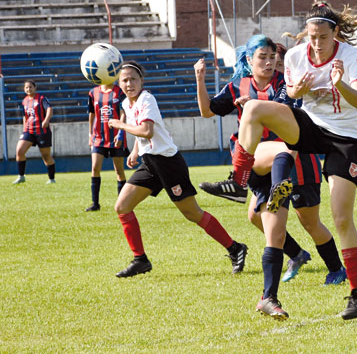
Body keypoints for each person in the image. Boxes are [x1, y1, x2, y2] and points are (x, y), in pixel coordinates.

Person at [228, 1, 357, 320]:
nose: (316, 43)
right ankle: (238, 181)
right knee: (252, 109)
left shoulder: (350, 56)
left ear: (335, 33)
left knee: (342, 218)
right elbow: (290, 95)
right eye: (312, 36)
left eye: (322, 37)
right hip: (309, 127)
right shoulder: (294, 56)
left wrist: (339, 84)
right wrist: (296, 91)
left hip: (345, 138)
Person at [194, 37, 346, 287]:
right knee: (256, 216)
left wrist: (255, 105)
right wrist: (200, 80)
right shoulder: (238, 86)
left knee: (309, 222)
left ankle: (336, 269)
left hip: (298, 162)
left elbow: (293, 116)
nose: (268, 62)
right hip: (264, 166)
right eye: (262, 57)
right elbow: (207, 111)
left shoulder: (287, 84)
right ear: (249, 60)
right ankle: (296, 254)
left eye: (271, 57)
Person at [106, 61, 248, 278]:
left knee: (193, 213)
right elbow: (142, 133)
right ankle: (140, 260)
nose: (129, 83)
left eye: (133, 79)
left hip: (168, 164)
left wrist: (120, 126)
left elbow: (146, 130)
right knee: (122, 206)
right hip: (150, 163)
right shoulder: (127, 103)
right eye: (124, 80)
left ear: (141, 81)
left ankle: (235, 248)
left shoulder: (147, 99)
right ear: (119, 83)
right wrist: (135, 151)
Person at [85, 82, 129, 211]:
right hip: (98, 137)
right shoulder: (93, 92)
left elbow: (123, 113)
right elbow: (91, 114)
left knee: (119, 171)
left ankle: (123, 203)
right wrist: (90, 134)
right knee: (95, 167)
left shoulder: (119, 92)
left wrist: (120, 133)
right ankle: (95, 204)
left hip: (116, 137)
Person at [12, 80, 56, 184]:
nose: (28, 89)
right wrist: (24, 128)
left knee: (46, 156)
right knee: (19, 151)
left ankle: (51, 179)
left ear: (35, 87)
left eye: (30, 87)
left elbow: (49, 109)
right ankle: (21, 176)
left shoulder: (41, 98)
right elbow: (25, 116)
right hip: (29, 131)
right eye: (26, 87)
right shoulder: (25, 101)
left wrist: (46, 120)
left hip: (42, 131)